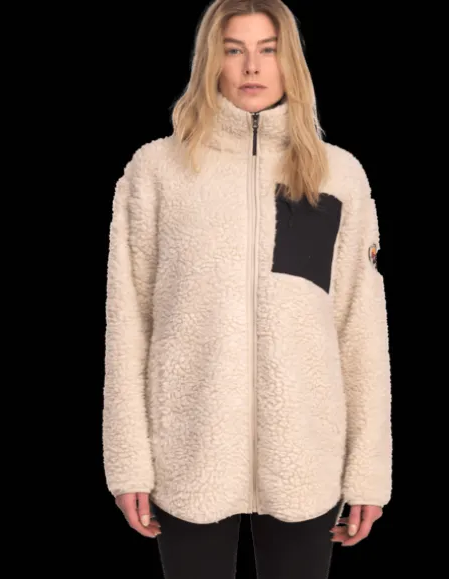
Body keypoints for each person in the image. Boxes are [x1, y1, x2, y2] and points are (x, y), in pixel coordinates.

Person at [102, 0, 393, 577]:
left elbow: (360, 329)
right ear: (211, 61)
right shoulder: (157, 170)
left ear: (291, 63)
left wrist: (368, 472)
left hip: (306, 457)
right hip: (189, 453)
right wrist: (129, 462)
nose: (251, 67)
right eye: (233, 50)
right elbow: (128, 322)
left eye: (268, 50)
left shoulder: (338, 174)